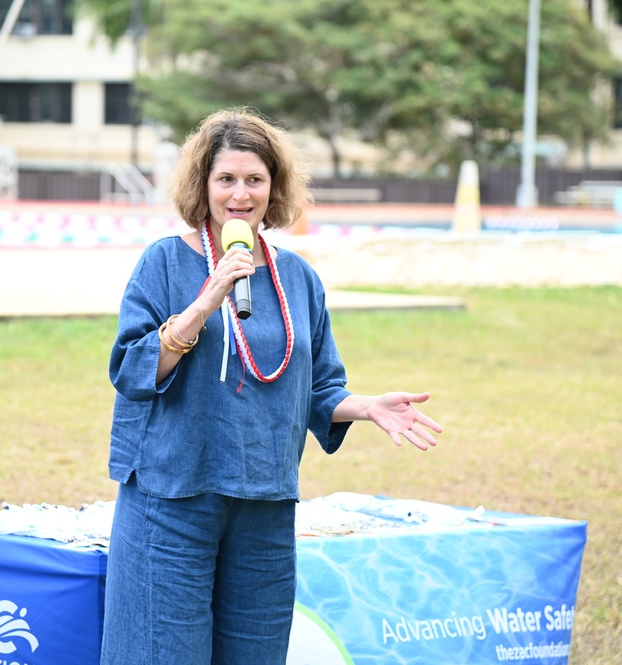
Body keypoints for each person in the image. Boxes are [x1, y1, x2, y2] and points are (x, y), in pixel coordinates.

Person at [100, 107, 443, 665]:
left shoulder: (299, 278)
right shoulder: (163, 263)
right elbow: (132, 369)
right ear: (202, 185)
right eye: (226, 179)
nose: (241, 194)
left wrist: (365, 407)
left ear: (274, 187)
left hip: (264, 502)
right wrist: (205, 302)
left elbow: (319, 387)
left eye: (254, 180)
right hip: (172, 497)